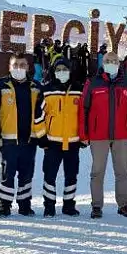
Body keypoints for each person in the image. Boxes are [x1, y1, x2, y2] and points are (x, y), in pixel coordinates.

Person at [79, 52, 127, 219]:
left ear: (119, 63)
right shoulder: (92, 82)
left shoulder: (126, 83)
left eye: (114, 61)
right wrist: (84, 133)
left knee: (122, 172)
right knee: (97, 172)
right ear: (102, 63)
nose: (111, 63)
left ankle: (123, 205)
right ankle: (96, 206)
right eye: (107, 61)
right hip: (98, 135)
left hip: (121, 135)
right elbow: (84, 108)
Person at [0, 54, 42, 217]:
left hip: (29, 140)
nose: (19, 68)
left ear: (28, 67)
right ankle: (4, 205)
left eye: (22, 65)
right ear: (9, 67)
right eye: (15, 65)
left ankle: (25, 205)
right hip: (7, 140)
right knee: (7, 173)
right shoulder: (0, 85)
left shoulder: (36, 86)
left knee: (26, 173)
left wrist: (40, 136)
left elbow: (42, 113)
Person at [34, 59, 83, 217]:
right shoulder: (47, 90)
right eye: (58, 69)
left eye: (64, 69)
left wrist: (84, 136)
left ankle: (69, 205)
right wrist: (42, 137)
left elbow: (84, 115)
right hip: (52, 142)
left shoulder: (79, 90)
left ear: (70, 70)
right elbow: (38, 115)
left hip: (73, 142)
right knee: (49, 175)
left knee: (71, 174)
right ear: (54, 71)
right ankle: (49, 206)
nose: (62, 71)